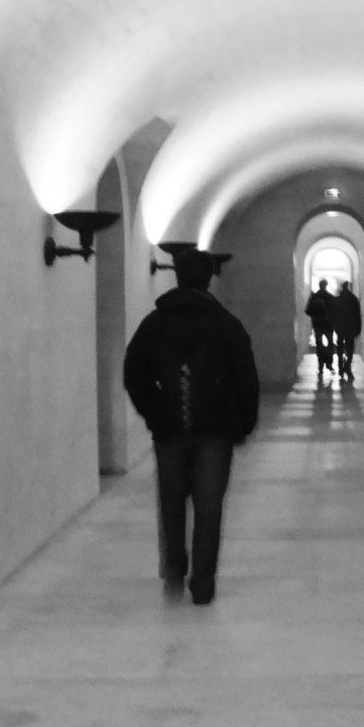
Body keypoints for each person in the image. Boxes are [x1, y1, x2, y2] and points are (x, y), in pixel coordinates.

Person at [123, 247, 259, 605]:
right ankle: (202, 582)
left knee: (171, 499)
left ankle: (174, 567)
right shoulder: (225, 323)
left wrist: (153, 410)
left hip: (169, 427)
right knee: (209, 504)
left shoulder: (155, 324)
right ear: (209, 277)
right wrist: (244, 422)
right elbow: (245, 378)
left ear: (178, 276)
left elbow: (133, 373)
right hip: (215, 430)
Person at [305, 278, 335, 376]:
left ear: (319, 285)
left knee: (319, 345)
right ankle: (329, 363)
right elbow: (335, 311)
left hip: (317, 324)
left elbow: (307, 311)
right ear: (326, 285)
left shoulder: (314, 296)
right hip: (328, 325)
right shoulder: (330, 297)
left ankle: (320, 365)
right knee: (330, 344)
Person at [333, 280, 362, 381]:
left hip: (340, 328)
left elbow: (334, 315)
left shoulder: (338, 299)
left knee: (340, 347)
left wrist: (334, 326)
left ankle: (340, 366)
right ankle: (347, 366)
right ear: (348, 287)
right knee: (350, 348)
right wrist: (358, 328)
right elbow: (358, 315)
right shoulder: (353, 299)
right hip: (350, 328)